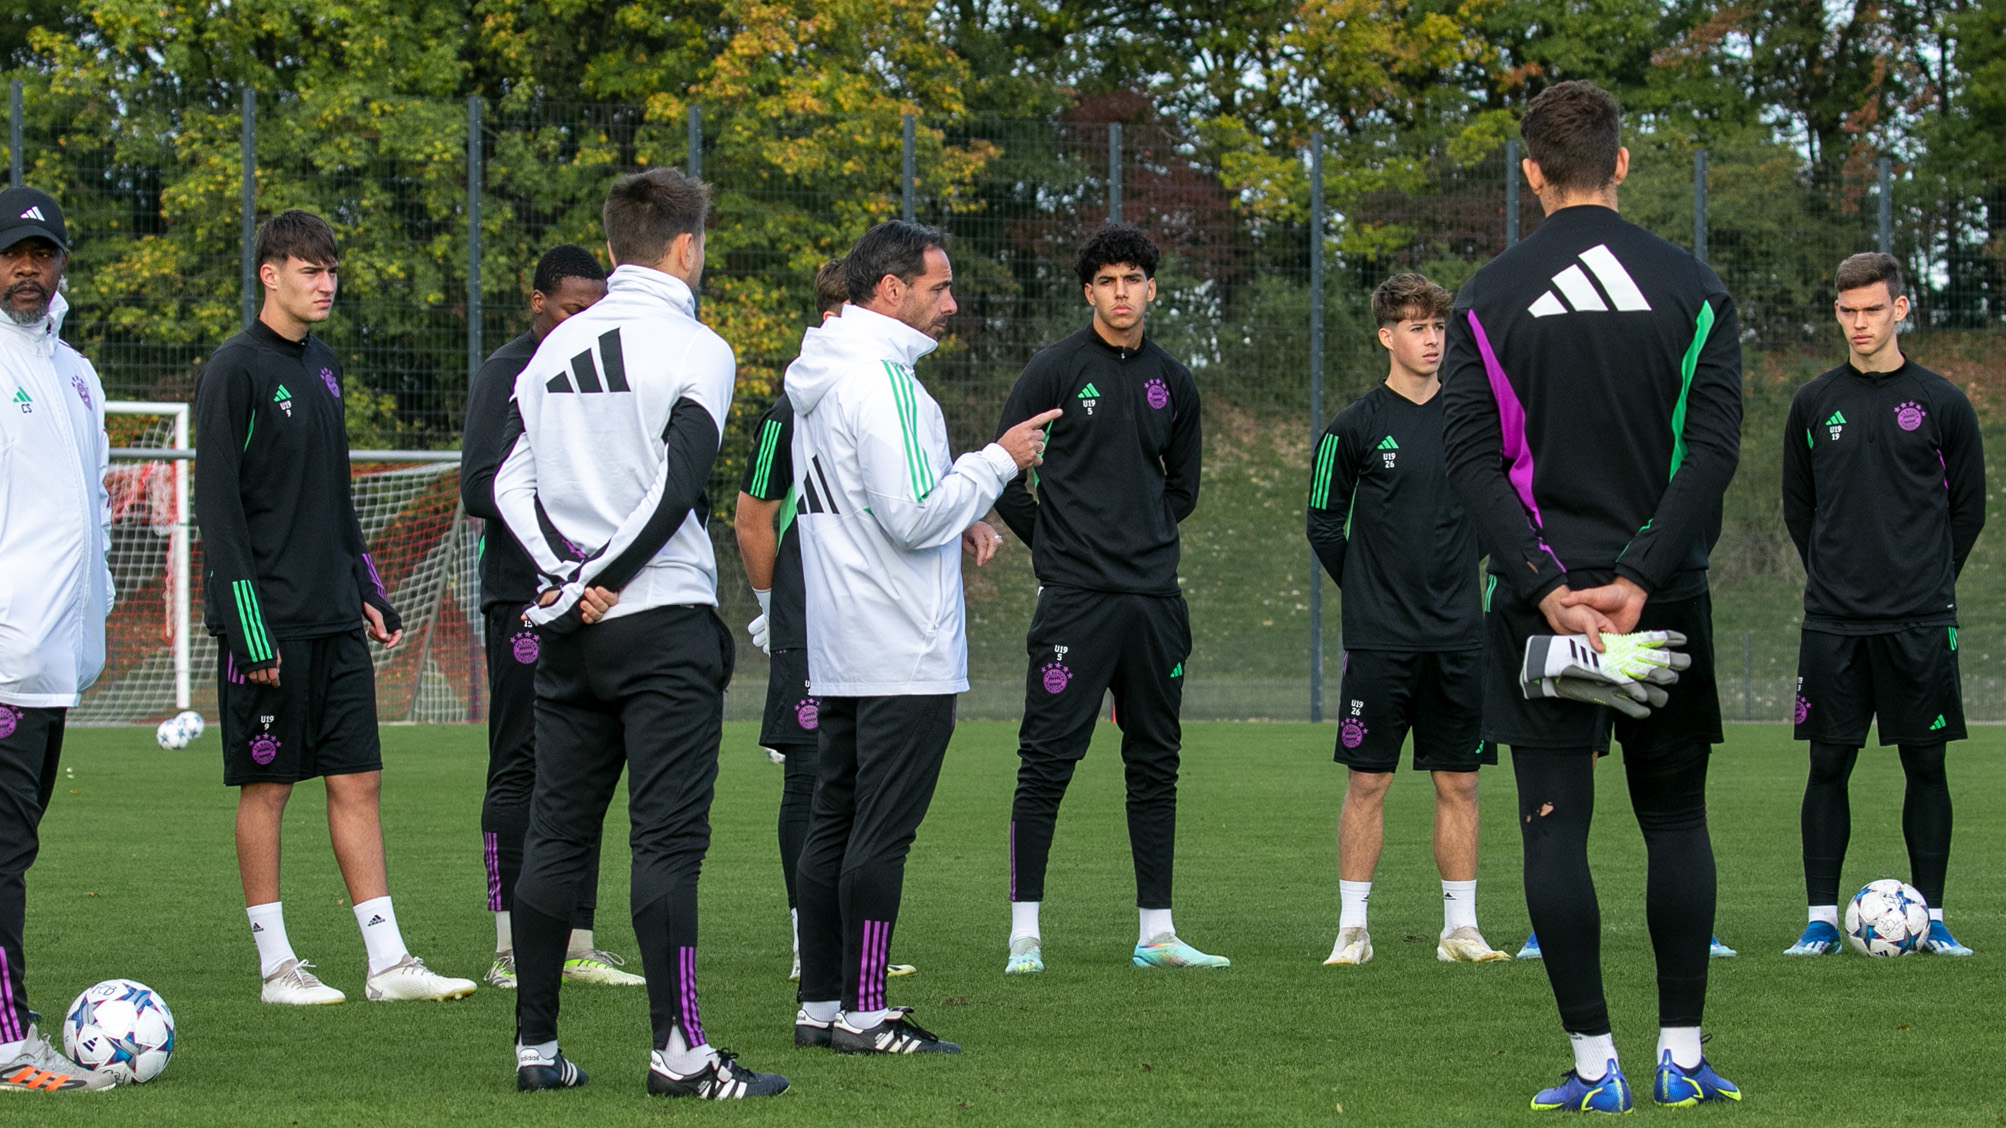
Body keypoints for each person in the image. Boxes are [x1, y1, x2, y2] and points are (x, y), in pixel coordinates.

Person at [1441, 81, 1744, 1112]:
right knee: (1673, 825)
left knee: (1550, 830)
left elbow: (1472, 464)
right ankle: (1683, 1059)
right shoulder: (1692, 289)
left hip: (1542, 615)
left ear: (1531, 175)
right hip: (1659, 603)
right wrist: (1639, 580)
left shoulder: (1483, 297)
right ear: (1620, 163)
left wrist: (1546, 586)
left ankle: (1592, 1070)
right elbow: (1709, 453)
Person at [494, 168, 785, 1099]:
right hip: (657, 622)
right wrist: (608, 576)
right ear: (688, 248)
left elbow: (505, 482)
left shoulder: (552, 350)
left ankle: (535, 1050)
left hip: (571, 628)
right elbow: (681, 483)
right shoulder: (700, 346)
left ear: (613, 247)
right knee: (666, 844)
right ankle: (680, 1055)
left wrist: (564, 572)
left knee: (556, 837)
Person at [785, 219, 1054, 1054]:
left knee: (834, 820)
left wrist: (960, 512)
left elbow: (876, 501)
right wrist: (997, 464)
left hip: (842, 640)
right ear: (891, 291)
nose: (952, 303)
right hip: (902, 644)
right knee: (880, 832)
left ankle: (822, 1005)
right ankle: (868, 1012)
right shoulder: (887, 382)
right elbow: (908, 518)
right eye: (939, 288)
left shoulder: (824, 376)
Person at [196, 208, 476, 1007]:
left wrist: (367, 587)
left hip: (331, 616)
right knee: (270, 788)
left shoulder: (323, 367)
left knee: (357, 780)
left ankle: (388, 964)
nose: (325, 284)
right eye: (310, 270)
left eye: (332, 270)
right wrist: (248, 627)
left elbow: (334, 498)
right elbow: (219, 510)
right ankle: (276, 966)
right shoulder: (235, 369)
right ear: (270, 274)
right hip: (265, 624)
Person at [992, 224, 1219, 975]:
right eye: (1108, 280)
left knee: (1156, 760)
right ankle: (1025, 932)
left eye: (1134, 279)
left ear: (1152, 288)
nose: (1122, 292)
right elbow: (1003, 469)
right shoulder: (1055, 369)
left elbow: (1182, 489)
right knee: (1046, 762)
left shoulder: (1174, 381)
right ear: (1089, 290)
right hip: (1076, 602)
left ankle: (1157, 932)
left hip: (1154, 601)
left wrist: (1141, 535)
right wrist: (1056, 542)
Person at [1780, 252, 1984, 958]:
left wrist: (1926, 579)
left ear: (1901, 308)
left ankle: (1933, 916)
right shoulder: (1813, 403)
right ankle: (1820, 920)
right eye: (1847, 310)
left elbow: (1970, 510)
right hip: (1835, 622)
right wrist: (1838, 575)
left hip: (1920, 619)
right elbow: (1799, 508)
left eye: (1872, 309)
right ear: (1836, 312)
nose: (1860, 322)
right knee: (1828, 764)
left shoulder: (1942, 402)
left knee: (1926, 765)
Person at [1307, 272, 1506, 967]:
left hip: (1459, 635)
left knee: (1460, 782)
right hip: (1380, 638)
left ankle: (1462, 930)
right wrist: (1369, 587)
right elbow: (1323, 522)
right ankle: (1353, 931)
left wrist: (1458, 570)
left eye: (1440, 327)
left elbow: (1501, 508)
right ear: (1387, 336)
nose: (1432, 339)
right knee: (1368, 782)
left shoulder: (1473, 422)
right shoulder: (1354, 427)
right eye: (1418, 327)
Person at [461, 245, 644, 989]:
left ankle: (576, 942)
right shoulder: (509, 373)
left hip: (591, 597)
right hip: (521, 596)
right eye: (574, 309)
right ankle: (509, 948)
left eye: (597, 309)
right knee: (520, 763)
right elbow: (480, 485)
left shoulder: (595, 371)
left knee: (585, 763)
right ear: (536, 301)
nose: (587, 322)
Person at [735, 259, 913, 983]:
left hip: (868, 616)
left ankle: (844, 934)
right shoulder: (791, 407)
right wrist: (776, 605)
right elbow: (753, 516)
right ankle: (811, 943)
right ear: (841, 314)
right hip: (809, 619)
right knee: (809, 778)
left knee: (859, 772)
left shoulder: (881, 395)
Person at [0, 186, 121, 1091]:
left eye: (41, 253)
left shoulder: (77, 374)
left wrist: (89, 639)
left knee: (16, 847)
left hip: (51, 666)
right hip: (2, 658)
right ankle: (9, 1041)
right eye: (12, 253)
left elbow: (93, 519)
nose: (28, 268)